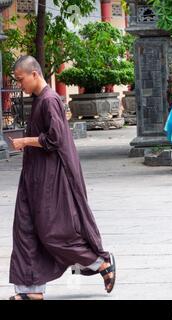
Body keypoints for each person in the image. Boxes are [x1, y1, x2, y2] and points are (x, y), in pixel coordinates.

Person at [7, 56, 116, 300]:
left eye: (20, 79)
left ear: (34, 74)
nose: (19, 84)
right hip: (32, 176)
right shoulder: (38, 101)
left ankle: (100, 263)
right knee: (25, 228)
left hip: (50, 177)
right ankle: (31, 290)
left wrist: (25, 141)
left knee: (51, 231)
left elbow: (55, 139)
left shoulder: (49, 100)